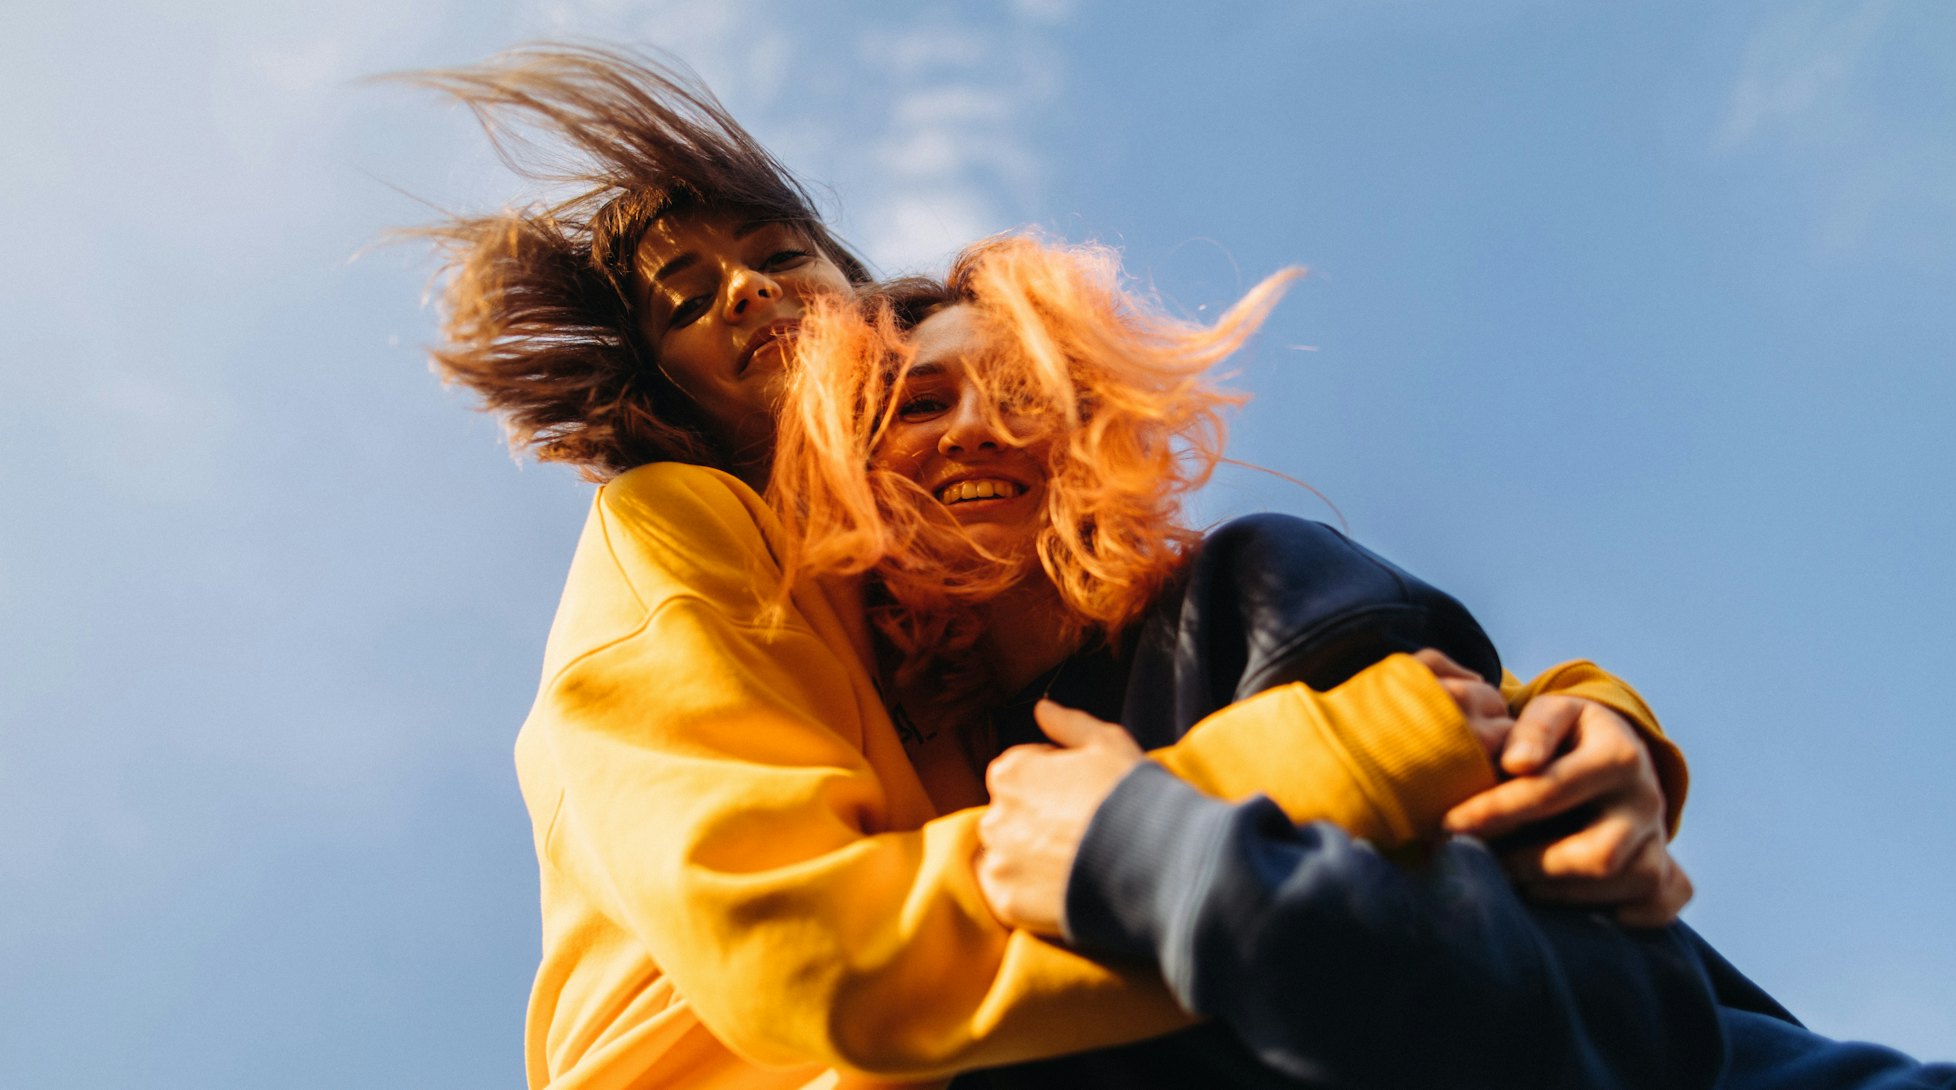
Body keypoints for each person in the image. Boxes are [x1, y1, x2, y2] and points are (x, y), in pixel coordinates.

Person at [407, 43, 1697, 1090]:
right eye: (683, 299)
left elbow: (1448, 698)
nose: (742, 291)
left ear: (858, 301)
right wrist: (1345, 761)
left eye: (776, 254)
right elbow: (805, 947)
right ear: (657, 388)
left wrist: (1591, 723)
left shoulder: (951, 634)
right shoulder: (681, 530)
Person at [771, 233, 1956, 1090]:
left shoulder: (1245, 590)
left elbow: (1598, 1015)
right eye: (920, 403)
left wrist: (1156, 861)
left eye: (1024, 392)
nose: (979, 424)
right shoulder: (919, 795)